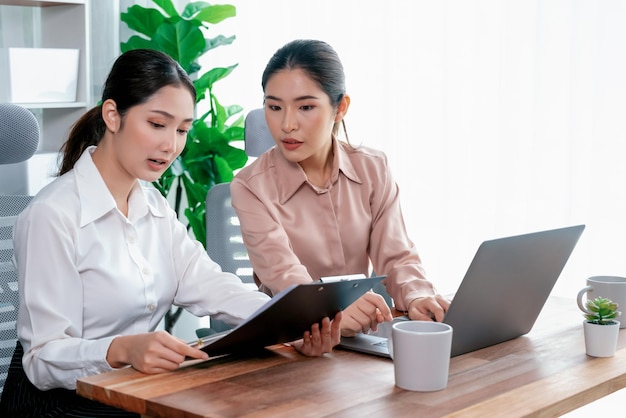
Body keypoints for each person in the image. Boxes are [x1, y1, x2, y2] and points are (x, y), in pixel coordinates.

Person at [0, 49, 341, 417]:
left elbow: (210, 285)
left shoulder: (153, 205)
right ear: (113, 115)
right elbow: (43, 359)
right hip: (59, 406)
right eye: (157, 124)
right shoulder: (53, 215)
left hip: (133, 390)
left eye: (181, 130)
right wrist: (121, 349)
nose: (171, 146)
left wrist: (291, 321)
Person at [230, 39, 450, 337]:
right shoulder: (250, 187)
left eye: (305, 106)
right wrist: (329, 310)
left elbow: (396, 254)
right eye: (274, 107)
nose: (287, 124)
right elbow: (283, 274)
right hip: (293, 342)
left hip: (362, 338)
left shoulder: (373, 167)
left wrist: (417, 295)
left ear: (340, 107)